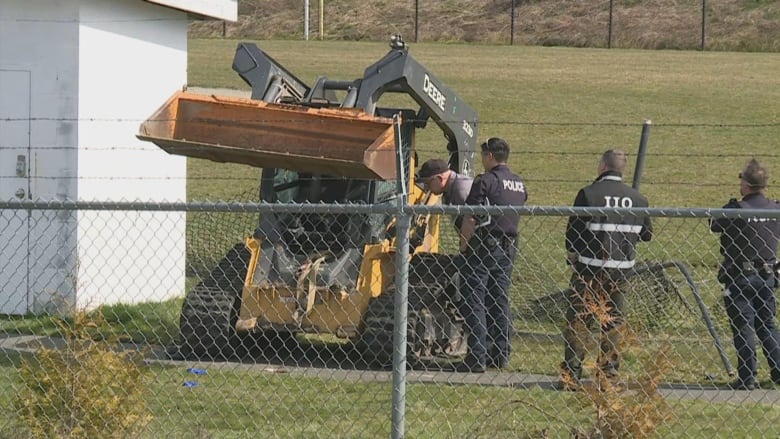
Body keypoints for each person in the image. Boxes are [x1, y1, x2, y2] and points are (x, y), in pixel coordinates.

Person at [560, 149, 652, 389]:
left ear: (602, 166)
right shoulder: (638, 200)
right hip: (621, 272)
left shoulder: (588, 194)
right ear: (623, 169)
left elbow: (572, 237)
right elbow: (647, 234)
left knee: (579, 322)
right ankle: (608, 377)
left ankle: (571, 375)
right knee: (612, 324)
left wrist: (577, 254)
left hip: (588, 270)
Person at [456, 138, 527, 373]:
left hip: (484, 246)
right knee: (499, 299)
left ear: (489, 156)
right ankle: (501, 352)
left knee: (475, 299)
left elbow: (470, 217)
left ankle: (477, 355)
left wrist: (464, 244)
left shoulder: (485, 181)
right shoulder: (518, 183)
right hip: (508, 246)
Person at [710, 158, 780, 391]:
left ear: (746, 184)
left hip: (740, 276)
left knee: (743, 326)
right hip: (768, 275)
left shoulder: (736, 210)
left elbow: (714, 224)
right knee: (766, 324)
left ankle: (747, 377)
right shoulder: (775, 209)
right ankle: (778, 371)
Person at [417, 158, 474, 230]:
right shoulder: (452, 186)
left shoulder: (460, 192)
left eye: (428, 183)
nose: (427, 188)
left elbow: (470, 224)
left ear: (440, 179)